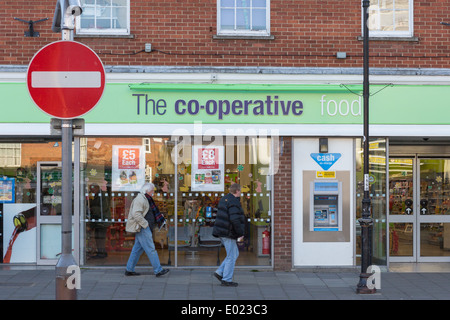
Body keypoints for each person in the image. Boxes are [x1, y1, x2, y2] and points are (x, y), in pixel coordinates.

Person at [124, 182, 169, 277]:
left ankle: (129, 269)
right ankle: (158, 270)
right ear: (147, 191)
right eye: (152, 190)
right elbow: (136, 214)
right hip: (143, 228)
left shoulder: (147, 199)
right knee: (151, 249)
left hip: (144, 227)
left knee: (137, 250)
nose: (153, 192)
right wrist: (146, 224)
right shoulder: (140, 199)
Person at [212, 183, 245, 287]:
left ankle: (219, 272)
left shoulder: (224, 199)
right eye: (240, 191)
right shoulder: (233, 201)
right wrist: (240, 233)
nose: (241, 193)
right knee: (231, 255)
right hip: (228, 232)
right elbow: (234, 219)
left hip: (223, 231)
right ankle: (226, 279)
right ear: (237, 191)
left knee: (234, 254)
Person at [88, 183, 110, 259]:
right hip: (99, 220)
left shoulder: (102, 195)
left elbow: (104, 208)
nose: (91, 191)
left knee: (100, 237)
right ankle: (101, 251)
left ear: (97, 188)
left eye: (92, 189)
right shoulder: (97, 195)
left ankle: (101, 252)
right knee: (99, 237)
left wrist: (92, 209)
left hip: (102, 220)